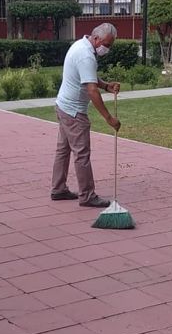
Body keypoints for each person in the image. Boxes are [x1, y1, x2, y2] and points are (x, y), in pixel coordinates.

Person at [51, 23, 121, 208]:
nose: (107, 49)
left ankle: (58, 189)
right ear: (96, 38)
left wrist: (105, 85)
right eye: (107, 44)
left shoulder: (81, 45)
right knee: (81, 154)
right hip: (73, 112)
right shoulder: (86, 56)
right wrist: (109, 118)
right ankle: (87, 195)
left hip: (63, 106)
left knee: (63, 150)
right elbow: (91, 90)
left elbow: (87, 76)